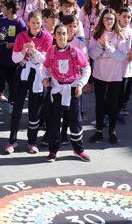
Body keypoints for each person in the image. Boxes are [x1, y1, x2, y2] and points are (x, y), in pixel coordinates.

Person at [41, 22, 91, 162]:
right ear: (54, 36)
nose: (62, 36)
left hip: (73, 90)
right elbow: (44, 68)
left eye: (64, 33)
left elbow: (86, 68)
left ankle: (78, 149)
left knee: (75, 121)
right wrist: (45, 78)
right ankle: (53, 151)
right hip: (57, 90)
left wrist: (81, 84)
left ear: (68, 35)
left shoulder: (74, 51)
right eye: (59, 34)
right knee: (54, 121)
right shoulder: (51, 51)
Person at [4, 11, 52, 154]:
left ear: (42, 22)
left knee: (34, 109)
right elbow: (14, 59)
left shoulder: (47, 37)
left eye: (38, 23)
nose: (36, 26)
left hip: (38, 74)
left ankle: (32, 142)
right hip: (23, 73)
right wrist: (23, 51)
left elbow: (46, 61)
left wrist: (35, 51)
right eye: (33, 23)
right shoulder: (21, 36)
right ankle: (12, 141)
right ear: (28, 23)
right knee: (17, 107)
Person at [87, 9, 129, 145]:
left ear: (115, 20)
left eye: (111, 19)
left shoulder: (120, 35)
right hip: (99, 74)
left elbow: (121, 56)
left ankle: (112, 131)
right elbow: (92, 54)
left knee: (112, 105)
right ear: (102, 20)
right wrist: (101, 45)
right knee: (99, 103)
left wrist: (108, 47)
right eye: (106, 19)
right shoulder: (96, 33)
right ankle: (99, 131)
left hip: (115, 76)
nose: (108, 21)